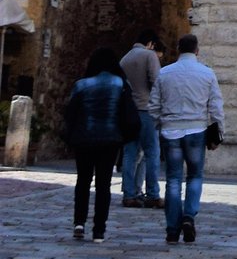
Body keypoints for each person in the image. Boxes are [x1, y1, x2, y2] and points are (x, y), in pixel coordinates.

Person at [151, 32, 223, 246]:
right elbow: (216, 107)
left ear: (178, 49)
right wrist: (219, 133)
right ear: (197, 50)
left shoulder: (165, 73)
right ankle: (189, 216)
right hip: (196, 130)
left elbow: (154, 105)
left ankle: (172, 229)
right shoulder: (207, 74)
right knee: (195, 176)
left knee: (173, 179)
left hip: (171, 130)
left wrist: (160, 123)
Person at [62, 45, 139, 241]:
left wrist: (69, 137)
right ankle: (99, 230)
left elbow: (70, 114)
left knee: (83, 181)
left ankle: (79, 222)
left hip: (84, 139)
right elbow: (128, 115)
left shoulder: (81, 85)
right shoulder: (120, 84)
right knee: (103, 185)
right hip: (110, 139)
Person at [119, 30, 163, 208]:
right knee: (152, 151)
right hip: (147, 109)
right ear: (151, 43)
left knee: (130, 152)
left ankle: (129, 194)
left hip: (130, 111)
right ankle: (153, 193)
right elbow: (157, 82)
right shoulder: (149, 56)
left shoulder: (125, 58)